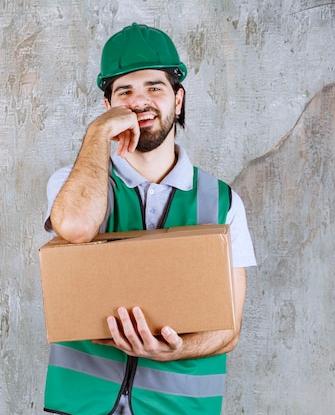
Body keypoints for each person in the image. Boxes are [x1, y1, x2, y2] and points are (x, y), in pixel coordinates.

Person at [42, 23, 256, 415]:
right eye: (124, 92)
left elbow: (228, 331)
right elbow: (74, 227)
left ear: (178, 100)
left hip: (177, 408)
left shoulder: (223, 202)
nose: (139, 101)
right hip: (81, 406)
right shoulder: (77, 184)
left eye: (155, 87)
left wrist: (172, 350)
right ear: (108, 107)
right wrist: (97, 137)